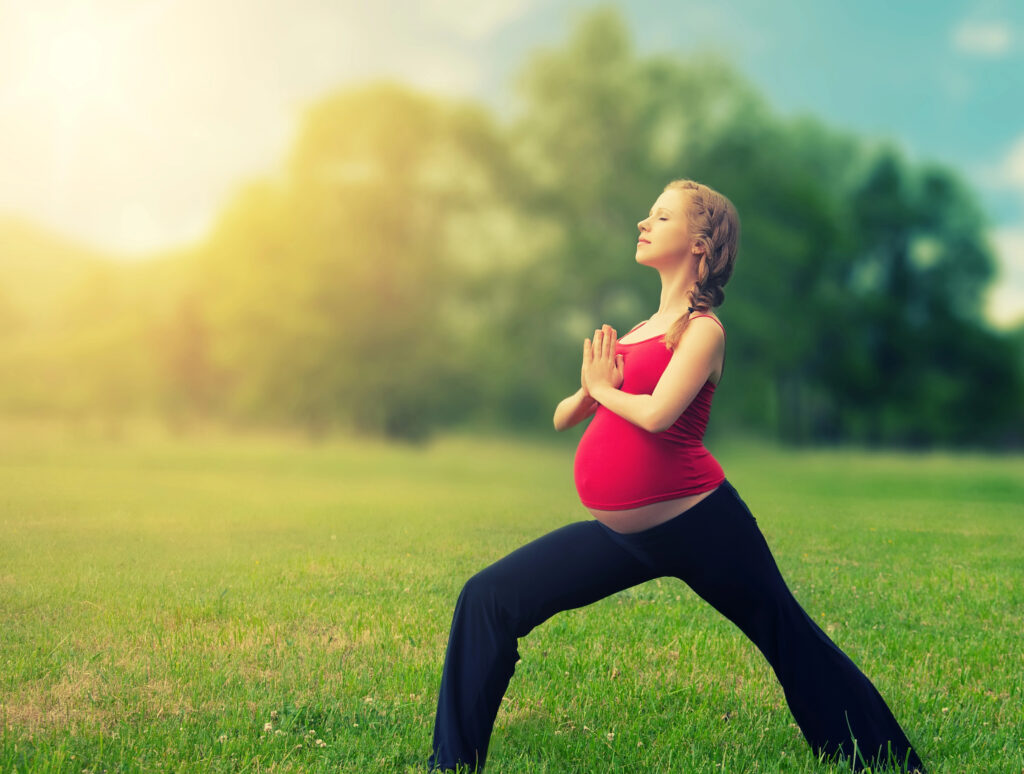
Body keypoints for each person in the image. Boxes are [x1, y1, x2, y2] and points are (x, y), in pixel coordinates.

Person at [427, 179, 925, 773]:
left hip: (701, 522)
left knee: (784, 631)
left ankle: (884, 757)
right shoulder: (636, 329)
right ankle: (451, 764)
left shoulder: (703, 331)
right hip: (622, 536)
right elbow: (563, 417)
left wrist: (606, 390)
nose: (644, 222)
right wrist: (591, 388)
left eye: (660, 217)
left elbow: (660, 416)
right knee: (488, 596)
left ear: (699, 245)